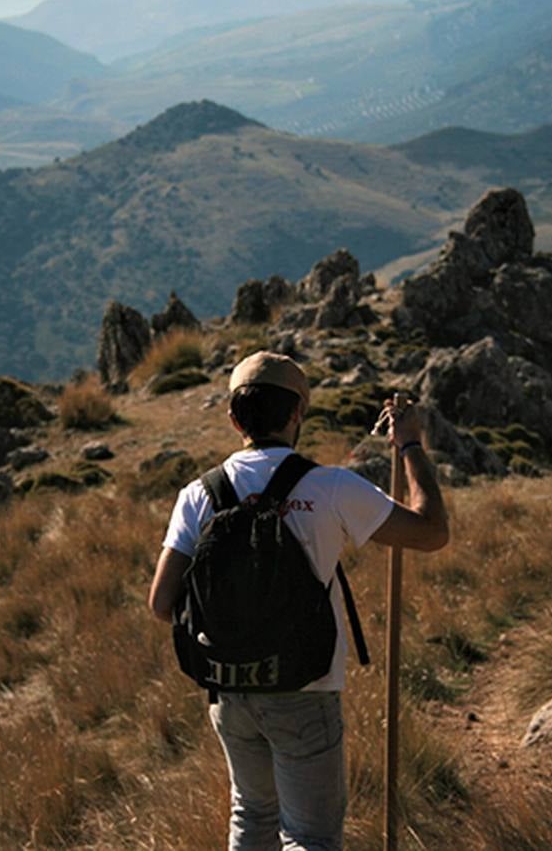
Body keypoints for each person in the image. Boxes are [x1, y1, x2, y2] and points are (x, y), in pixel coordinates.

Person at [148, 351, 448, 851]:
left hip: (229, 690)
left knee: (252, 816)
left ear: (233, 419)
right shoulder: (330, 487)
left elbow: (161, 604)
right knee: (309, 836)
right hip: (305, 688)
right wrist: (411, 444)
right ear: (296, 415)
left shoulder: (199, 494)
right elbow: (432, 531)